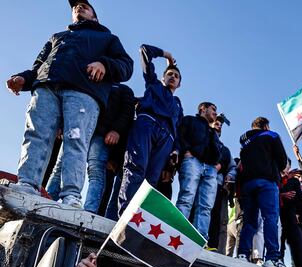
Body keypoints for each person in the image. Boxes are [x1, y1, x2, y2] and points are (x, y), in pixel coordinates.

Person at [6, 0, 133, 208]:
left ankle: (71, 196)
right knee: (36, 134)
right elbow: (38, 66)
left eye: (85, 6)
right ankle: (27, 184)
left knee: (76, 141)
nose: (78, 7)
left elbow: (126, 65)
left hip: (83, 92)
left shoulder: (107, 38)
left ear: (94, 16)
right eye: (75, 6)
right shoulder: (57, 37)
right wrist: (23, 78)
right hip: (46, 87)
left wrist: (104, 64)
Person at [46, 83, 135, 213]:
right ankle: (48, 199)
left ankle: (90, 211)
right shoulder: (93, 81)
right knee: (60, 166)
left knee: (96, 171)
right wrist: (62, 123)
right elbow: (74, 102)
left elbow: (127, 112)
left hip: (101, 134)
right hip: (78, 127)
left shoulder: (124, 90)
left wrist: (116, 130)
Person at [118, 44, 183, 215]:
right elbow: (144, 51)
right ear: (163, 78)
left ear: (179, 84)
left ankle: (140, 218)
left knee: (151, 180)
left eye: (176, 76)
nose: (173, 77)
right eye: (169, 74)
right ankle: (125, 214)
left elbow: (178, 129)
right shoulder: (154, 85)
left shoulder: (177, 104)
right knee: (135, 168)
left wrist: (176, 150)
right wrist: (167, 54)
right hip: (147, 124)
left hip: (166, 138)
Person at [236, 117, 291, 267]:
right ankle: (272, 258)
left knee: (250, 222)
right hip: (267, 181)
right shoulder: (272, 135)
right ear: (266, 126)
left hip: (248, 184)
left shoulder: (244, 142)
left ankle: (242, 254)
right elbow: (282, 161)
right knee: (270, 218)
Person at [176, 102, 221, 240]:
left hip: (210, 168)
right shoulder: (189, 120)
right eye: (213, 109)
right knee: (186, 197)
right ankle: (177, 233)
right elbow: (180, 135)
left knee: (206, 206)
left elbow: (218, 152)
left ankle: (200, 238)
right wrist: (186, 151)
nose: (215, 112)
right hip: (193, 161)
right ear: (203, 109)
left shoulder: (212, 132)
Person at [207, 117, 237, 252]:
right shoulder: (203, 140)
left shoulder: (225, 150)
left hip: (218, 187)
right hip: (200, 182)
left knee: (216, 217)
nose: (218, 127)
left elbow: (233, 167)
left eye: (220, 125)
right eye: (216, 124)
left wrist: (230, 175)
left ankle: (213, 247)